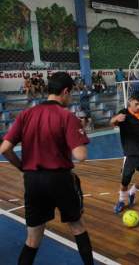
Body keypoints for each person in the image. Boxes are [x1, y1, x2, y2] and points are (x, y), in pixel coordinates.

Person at [0, 72, 94, 265]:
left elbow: (5, 149)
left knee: (33, 238)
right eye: (71, 93)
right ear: (66, 91)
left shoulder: (26, 114)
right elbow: (81, 155)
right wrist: (80, 130)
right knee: (77, 226)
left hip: (33, 181)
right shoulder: (67, 116)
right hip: (60, 179)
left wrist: (23, 168)